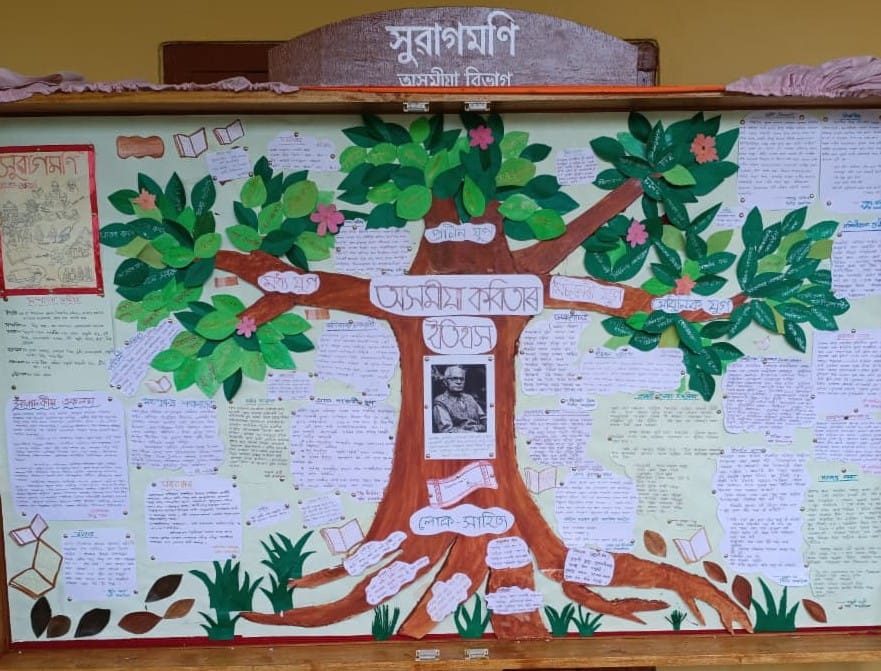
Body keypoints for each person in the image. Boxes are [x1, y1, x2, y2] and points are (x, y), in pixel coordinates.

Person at [432, 365, 486, 433]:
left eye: (462, 379)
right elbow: (447, 430)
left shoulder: (469, 398)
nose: (459, 382)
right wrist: (474, 433)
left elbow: (483, 418)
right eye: (454, 378)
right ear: (445, 382)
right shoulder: (440, 402)